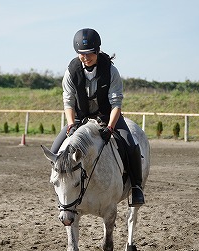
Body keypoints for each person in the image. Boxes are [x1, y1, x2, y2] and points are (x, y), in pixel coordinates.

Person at [50, 28, 144, 207]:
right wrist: (70, 125)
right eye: (81, 54)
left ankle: (137, 188)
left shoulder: (110, 71)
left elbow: (116, 103)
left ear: (97, 51)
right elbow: (68, 101)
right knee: (55, 150)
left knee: (131, 144)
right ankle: (62, 186)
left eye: (89, 54)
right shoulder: (71, 71)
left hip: (107, 115)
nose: (85, 58)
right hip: (80, 117)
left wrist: (110, 127)